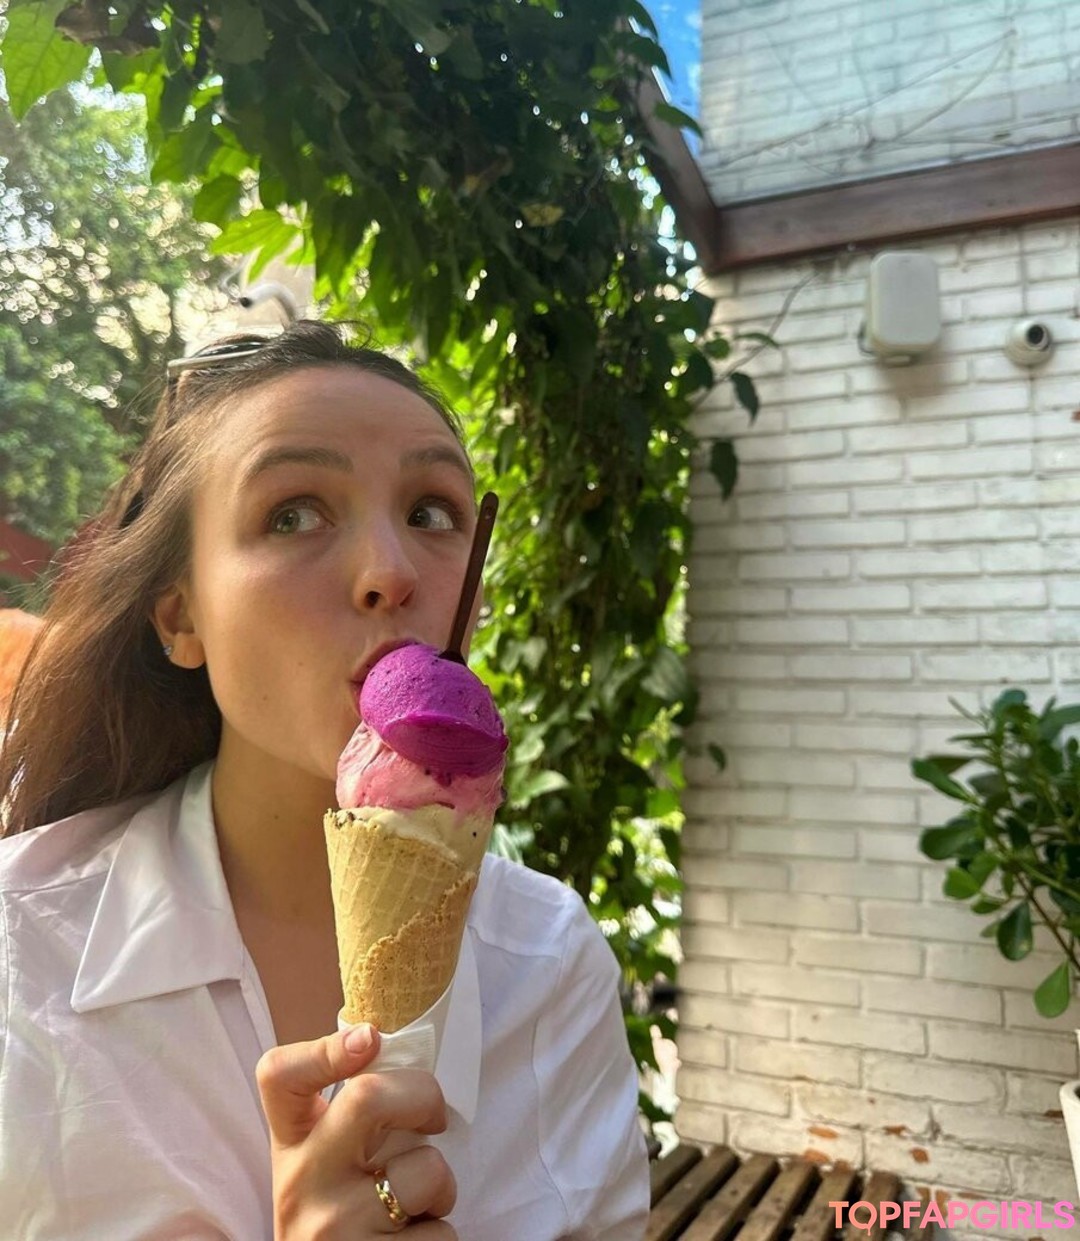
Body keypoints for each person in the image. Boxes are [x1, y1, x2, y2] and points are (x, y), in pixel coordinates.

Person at [0, 321, 649, 1239]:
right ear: (181, 617)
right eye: (294, 513)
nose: (392, 572)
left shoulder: (548, 964)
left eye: (432, 513)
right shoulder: (21, 951)